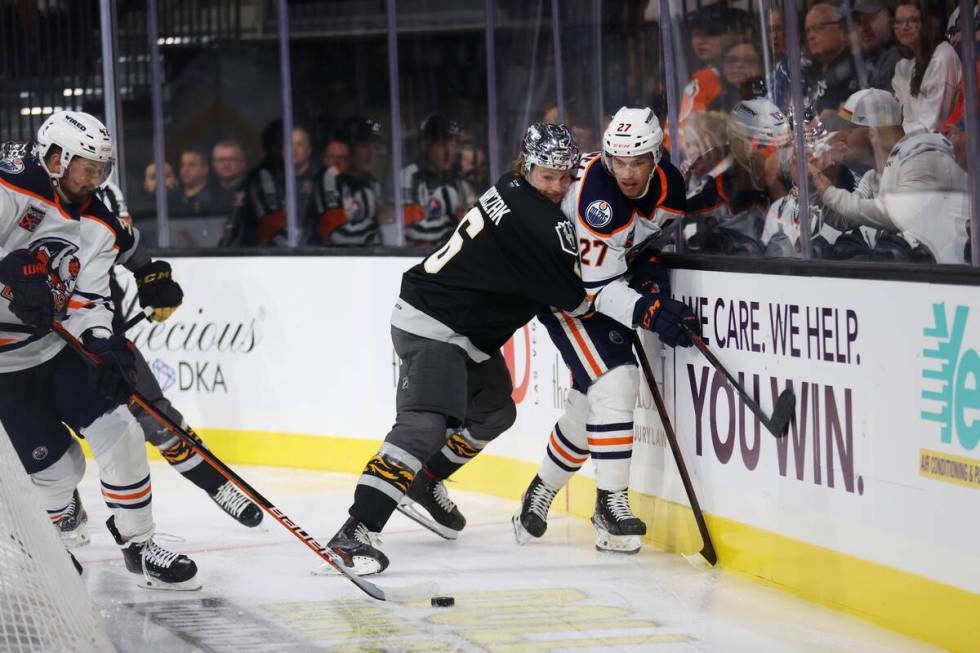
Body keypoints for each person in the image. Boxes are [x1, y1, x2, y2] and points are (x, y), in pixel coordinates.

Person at [326, 123, 590, 575]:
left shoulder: (509, 186)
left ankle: (425, 482)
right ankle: (355, 532)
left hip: (464, 334)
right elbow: (577, 299)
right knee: (422, 428)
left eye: (565, 177)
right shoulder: (539, 223)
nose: (557, 186)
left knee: (494, 414)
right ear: (527, 167)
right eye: (548, 175)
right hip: (436, 327)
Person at [0, 111, 198, 588]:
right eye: (87, 167)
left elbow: (89, 300)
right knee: (60, 469)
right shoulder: (9, 189)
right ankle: (38, 542)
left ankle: (140, 544)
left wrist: (101, 346)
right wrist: (9, 274)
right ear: (55, 159)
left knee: (121, 431)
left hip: (52, 346)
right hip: (4, 366)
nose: (96, 179)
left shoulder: (98, 222)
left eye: (102, 170)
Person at [514, 107, 700, 554]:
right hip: (565, 290)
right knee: (617, 379)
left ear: (657, 157)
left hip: (599, 282)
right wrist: (649, 311)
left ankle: (540, 489)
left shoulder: (671, 185)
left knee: (590, 403)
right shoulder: (595, 203)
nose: (627, 172)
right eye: (618, 161)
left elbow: (639, 245)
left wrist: (648, 273)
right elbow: (598, 291)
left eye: (637, 162)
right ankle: (611, 505)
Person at [811, 89, 969, 263]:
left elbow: (894, 214)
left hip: (963, 278)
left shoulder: (924, 158)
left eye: (848, 129)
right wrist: (812, 182)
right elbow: (844, 218)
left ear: (872, 131)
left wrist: (827, 190)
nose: (840, 138)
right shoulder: (874, 177)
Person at [308, 117, 383, 246]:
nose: (371, 154)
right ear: (349, 149)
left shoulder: (372, 183)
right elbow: (337, 234)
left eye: (375, 147)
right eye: (364, 146)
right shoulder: (330, 178)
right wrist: (377, 223)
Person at [891, 0, 963, 135]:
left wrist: (895, 135)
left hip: (935, 146)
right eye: (898, 22)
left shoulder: (943, 56)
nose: (904, 27)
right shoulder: (902, 67)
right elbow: (899, 116)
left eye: (912, 20)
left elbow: (931, 124)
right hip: (908, 143)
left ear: (929, 23)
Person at [401, 113, 472, 246]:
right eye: (441, 144)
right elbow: (411, 228)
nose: (448, 151)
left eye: (452, 144)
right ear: (426, 146)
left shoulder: (459, 182)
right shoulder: (411, 176)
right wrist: (453, 220)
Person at [803, 3, 861, 116]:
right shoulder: (809, 70)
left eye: (818, 28)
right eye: (808, 30)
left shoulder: (856, 69)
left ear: (842, 32)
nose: (811, 36)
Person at [850, 0, 902, 91]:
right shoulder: (865, 60)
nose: (864, 28)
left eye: (870, 18)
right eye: (859, 21)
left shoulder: (898, 57)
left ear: (891, 16)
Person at [174, 147, 220, 215]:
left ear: (205, 169)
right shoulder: (172, 197)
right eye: (182, 165)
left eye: (192, 165)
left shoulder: (217, 199)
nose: (185, 169)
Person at [210, 139, 247, 212]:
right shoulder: (206, 194)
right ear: (213, 164)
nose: (226, 164)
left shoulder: (252, 191)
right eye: (221, 160)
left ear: (242, 163)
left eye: (231, 159)